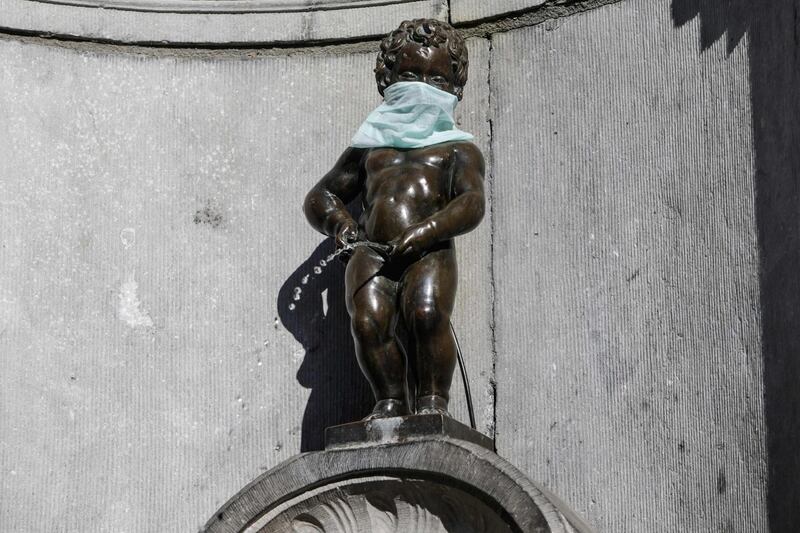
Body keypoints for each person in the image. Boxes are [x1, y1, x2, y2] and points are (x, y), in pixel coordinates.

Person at [303, 19, 485, 420]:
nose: (420, 86)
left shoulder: (457, 150)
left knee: (426, 313)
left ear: (453, 86)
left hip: (429, 250)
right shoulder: (370, 148)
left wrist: (427, 231)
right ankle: (389, 400)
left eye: (434, 77)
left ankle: (432, 403)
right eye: (408, 75)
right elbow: (322, 195)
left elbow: (471, 202)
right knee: (368, 323)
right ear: (387, 79)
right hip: (370, 250)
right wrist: (340, 224)